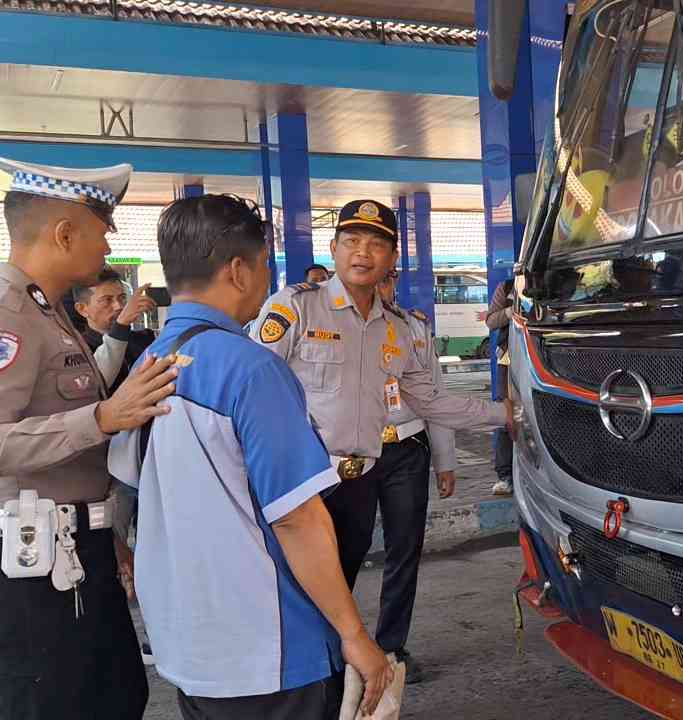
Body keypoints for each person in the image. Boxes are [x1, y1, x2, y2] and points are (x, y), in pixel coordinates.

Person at [107, 194, 393, 720]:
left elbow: (129, 487)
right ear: (238, 271)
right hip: (271, 653)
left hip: (189, 646)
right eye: (264, 265)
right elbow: (297, 519)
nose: (267, 279)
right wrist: (354, 635)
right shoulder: (251, 370)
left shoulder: (147, 363)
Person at [250, 199, 510, 594]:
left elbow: (431, 400)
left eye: (375, 245)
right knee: (295, 597)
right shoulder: (297, 307)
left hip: (358, 483)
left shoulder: (397, 329)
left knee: (341, 591)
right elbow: (253, 391)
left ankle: (341, 656)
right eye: (352, 240)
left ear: (392, 257)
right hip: (303, 483)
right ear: (334, 248)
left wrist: (504, 414)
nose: (362, 253)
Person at [0, 157, 178, 719]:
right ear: (64, 232)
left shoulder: (51, 313)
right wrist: (101, 418)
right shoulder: (9, 313)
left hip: (81, 546)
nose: (106, 252)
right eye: (102, 234)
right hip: (35, 565)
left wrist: (111, 535)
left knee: (119, 695)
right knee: (56, 703)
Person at [371, 271, 458, 684]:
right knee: (338, 553)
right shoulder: (327, 329)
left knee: (403, 550)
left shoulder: (415, 329)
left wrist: (445, 461)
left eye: (385, 280)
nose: (378, 289)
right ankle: (334, 648)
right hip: (348, 454)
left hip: (407, 449)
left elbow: (436, 399)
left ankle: (390, 646)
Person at [74, 267, 157, 394]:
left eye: (122, 298)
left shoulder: (145, 339)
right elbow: (95, 387)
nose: (119, 306)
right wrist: (121, 325)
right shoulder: (77, 350)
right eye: (107, 300)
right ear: (82, 309)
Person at [485, 277, 515, 496]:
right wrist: (509, 312)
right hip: (509, 359)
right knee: (505, 415)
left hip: (542, 358)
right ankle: (505, 476)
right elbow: (491, 321)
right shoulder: (506, 287)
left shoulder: (556, 282)